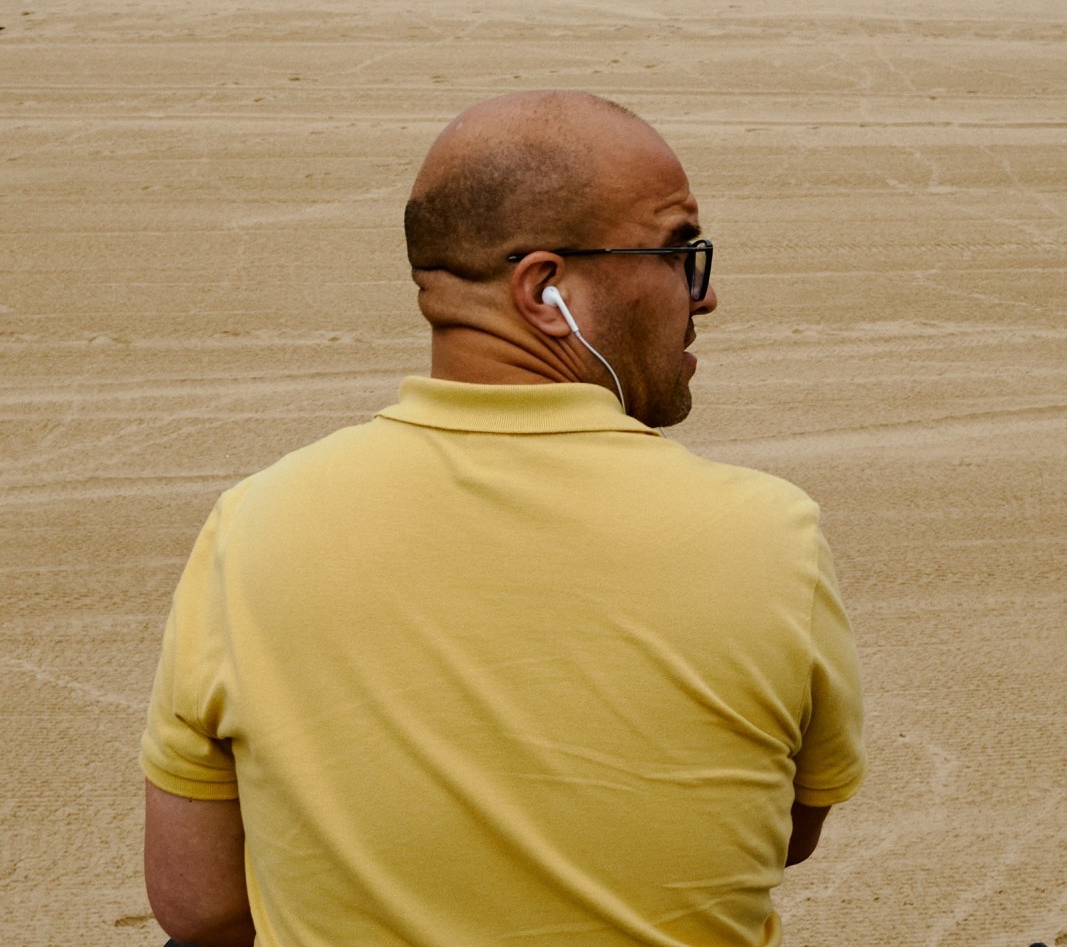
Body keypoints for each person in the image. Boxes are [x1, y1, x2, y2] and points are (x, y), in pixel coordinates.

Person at [141, 91, 866, 947]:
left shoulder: (254, 524)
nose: (701, 297)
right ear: (545, 292)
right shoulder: (768, 537)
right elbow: (780, 832)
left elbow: (201, 906)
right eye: (678, 252)